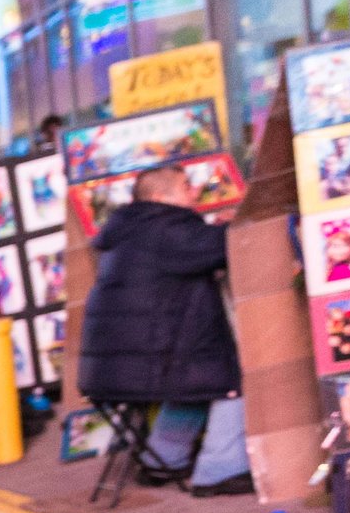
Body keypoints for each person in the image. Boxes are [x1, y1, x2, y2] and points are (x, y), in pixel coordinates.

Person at [76, 163, 251, 495]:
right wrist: (237, 226)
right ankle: (220, 470)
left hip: (114, 370)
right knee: (230, 378)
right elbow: (226, 246)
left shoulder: (130, 230)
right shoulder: (165, 228)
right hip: (145, 365)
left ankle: (162, 460)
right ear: (159, 197)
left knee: (194, 378)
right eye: (186, 186)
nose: (195, 192)